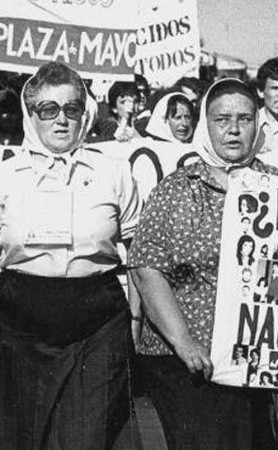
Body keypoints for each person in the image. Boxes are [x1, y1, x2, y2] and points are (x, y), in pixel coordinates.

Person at [129, 78, 278, 449]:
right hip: (191, 364)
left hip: (263, 365)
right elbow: (146, 268)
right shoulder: (177, 189)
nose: (234, 129)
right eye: (222, 120)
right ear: (206, 125)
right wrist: (185, 342)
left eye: (244, 118)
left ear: (258, 124)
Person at [0, 61, 141, 448]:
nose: (61, 120)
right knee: (21, 438)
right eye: (48, 110)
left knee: (86, 436)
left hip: (95, 322)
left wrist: (136, 316)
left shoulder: (113, 171)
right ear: (31, 115)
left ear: (85, 113)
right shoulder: (6, 177)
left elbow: (136, 251)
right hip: (19, 323)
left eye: (72, 109)